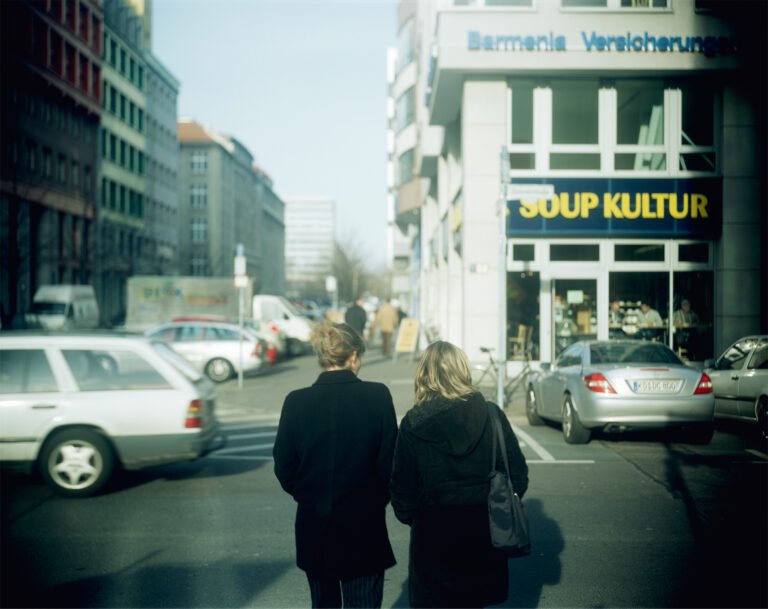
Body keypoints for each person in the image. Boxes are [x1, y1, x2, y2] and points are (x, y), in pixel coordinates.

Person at [390, 341, 529, 608]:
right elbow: (518, 476)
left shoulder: (413, 422)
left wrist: (418, 518)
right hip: (484, 536)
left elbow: (402, 492)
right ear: (462, 370)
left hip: (433, 541)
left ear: (425, 374)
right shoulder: (491, 415)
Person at [273, 321, 398, 608]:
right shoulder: (377, 396)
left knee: (323, 603)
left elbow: (284, 465)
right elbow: (389, 461)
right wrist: (377, 498)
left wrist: (309, 494)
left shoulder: (296, 402)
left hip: (314, 524)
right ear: (353, 356)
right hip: (363, 523)